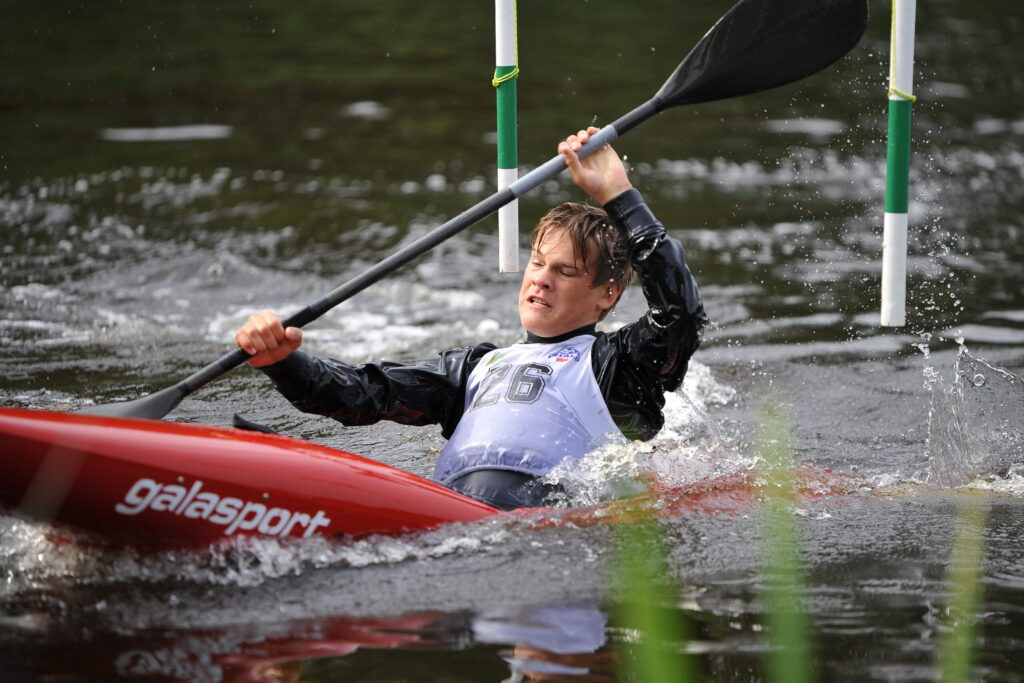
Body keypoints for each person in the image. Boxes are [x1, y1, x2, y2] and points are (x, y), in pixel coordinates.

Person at [234, 126, 707, 510]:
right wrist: (283, 361)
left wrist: (619, 194)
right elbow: (363, 394)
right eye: (538, 263)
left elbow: (679, 312)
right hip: (445, 508)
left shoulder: (621, 368)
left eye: (564, 271)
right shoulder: (472, 369)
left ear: (607, 294)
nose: (540, 280)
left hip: (532, 528)